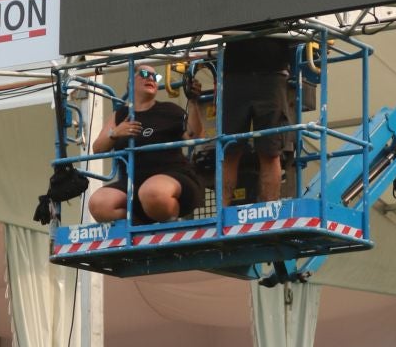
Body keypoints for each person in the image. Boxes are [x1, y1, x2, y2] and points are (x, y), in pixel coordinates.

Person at [87, 64, 205, 224]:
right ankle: (139, 226)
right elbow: (97, 148)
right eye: (144, 74)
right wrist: (115, 133)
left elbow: (196, 136)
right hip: (134, 183)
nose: (151, 78)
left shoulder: (170, 110)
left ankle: (173, 221)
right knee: (98, 204)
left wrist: (192, 101)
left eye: (155, 77)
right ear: (130, 83)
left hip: (173, 178)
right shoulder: (120, 115)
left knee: (151, 192)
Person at [218, 31, 296, 205]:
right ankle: (221, 215)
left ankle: (269, 211)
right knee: (228, 150)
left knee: (270, 150)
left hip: (272, 73)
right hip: (235, 74)